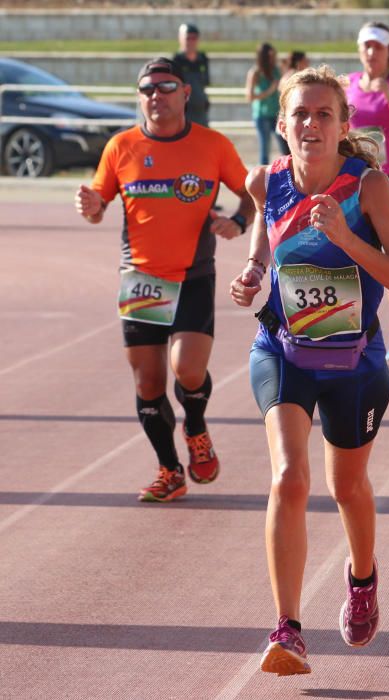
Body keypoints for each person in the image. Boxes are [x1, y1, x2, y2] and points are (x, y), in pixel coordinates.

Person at [228, 65, 389, 676]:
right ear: (281, 126)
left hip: (354, 361)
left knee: (347, 487)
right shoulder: (267, 181)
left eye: (324, 114)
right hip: (283, 348)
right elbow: (263, 246)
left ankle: (362, 577)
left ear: (342, 126)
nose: (311, 124)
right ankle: (287, 628)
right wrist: (252, 274)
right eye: (300, 115)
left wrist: (348, 239)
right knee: (289, 477)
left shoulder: (368, 188)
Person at [73, 58, 255, 502]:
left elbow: (251, 192)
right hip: (141, 277)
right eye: (147, 89)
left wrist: (238, 222)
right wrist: (91, 206)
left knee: (187, 369)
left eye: (166, 87)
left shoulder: (212, 145)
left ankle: (195, 428)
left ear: (186, 93)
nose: (156, 96)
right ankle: (169, 470)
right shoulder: (121, 147)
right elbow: (99, 206)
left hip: (193, 275)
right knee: (148, 385)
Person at [346, 22, 389, 361]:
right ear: (360, 50)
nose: (372, 53)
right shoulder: (348, 85)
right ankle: (352, 329)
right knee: (353, 258)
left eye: (378, 47)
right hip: (358, 184)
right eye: (367, 46)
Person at [246, 42, 283, 165]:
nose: (273, 58)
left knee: (285, 144)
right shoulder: (255, 73)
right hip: (262, 115)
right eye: (270, 56)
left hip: (276, 113)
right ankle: (263, 178)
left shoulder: (276, 70)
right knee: (265, 148)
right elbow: (249, 97)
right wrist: (269, 91)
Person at [172, 23, 210, 127]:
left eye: (194, 38)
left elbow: (205, 82)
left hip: (200, 109)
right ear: (180, 38)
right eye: (188, 38)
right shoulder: (176, 61)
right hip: (184, 110)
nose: (191, 42)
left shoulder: (203, 59)